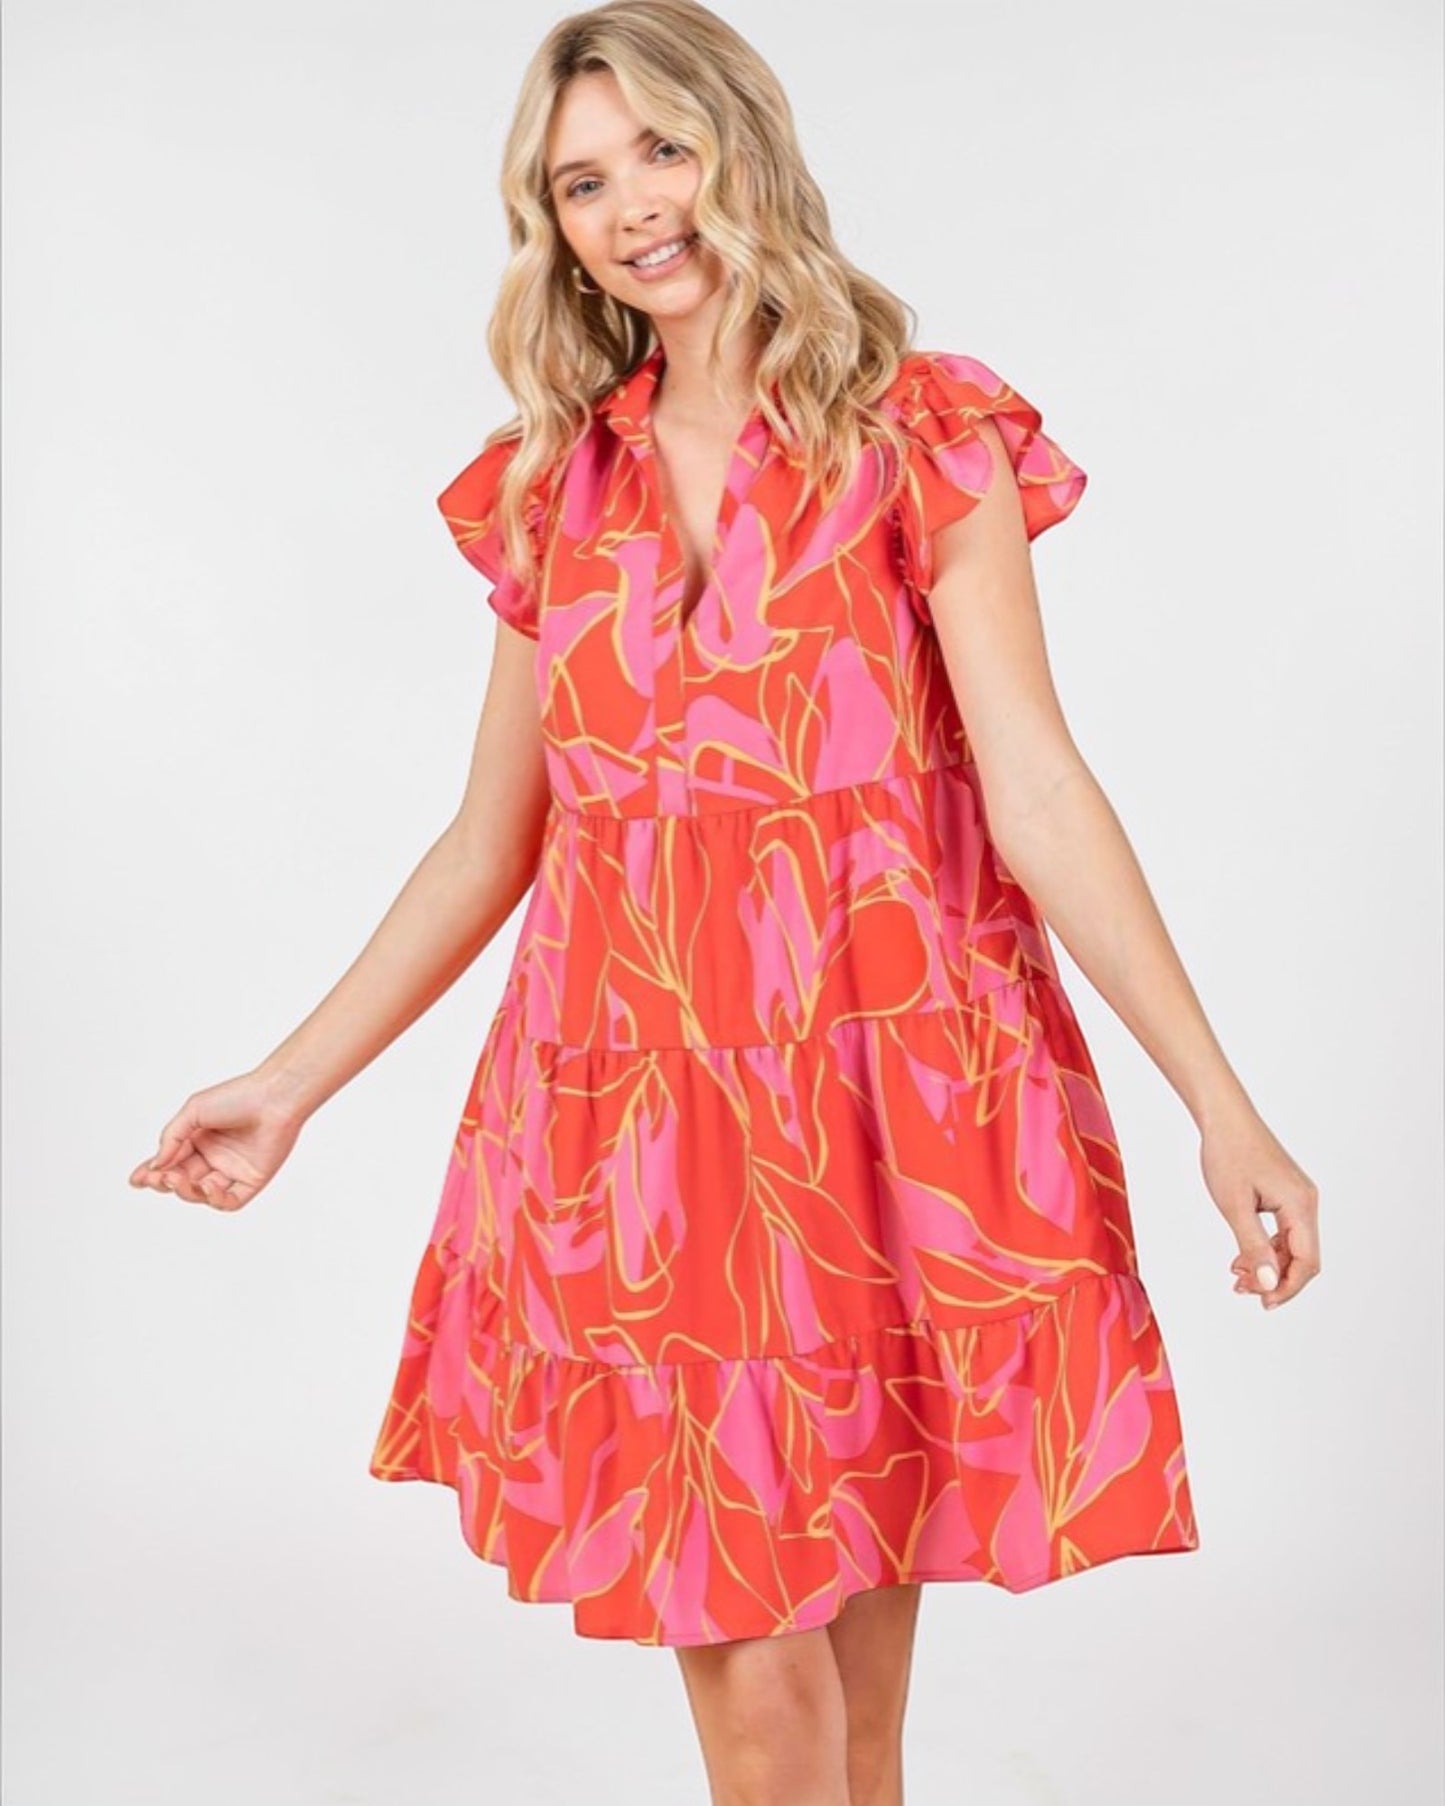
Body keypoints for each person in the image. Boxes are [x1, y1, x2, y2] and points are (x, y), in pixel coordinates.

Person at [129, 2, 1322, 1800]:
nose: (628, 209)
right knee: (755, 1677)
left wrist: (1218, 1103)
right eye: (579, 183)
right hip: (645, 1136)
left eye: (657, 154)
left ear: (740, 145)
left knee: (855, 1702)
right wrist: (286, 1082)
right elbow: (486, 841)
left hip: (887, 1102)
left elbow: (1039, 787)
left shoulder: (922, 432)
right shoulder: (553, 487)